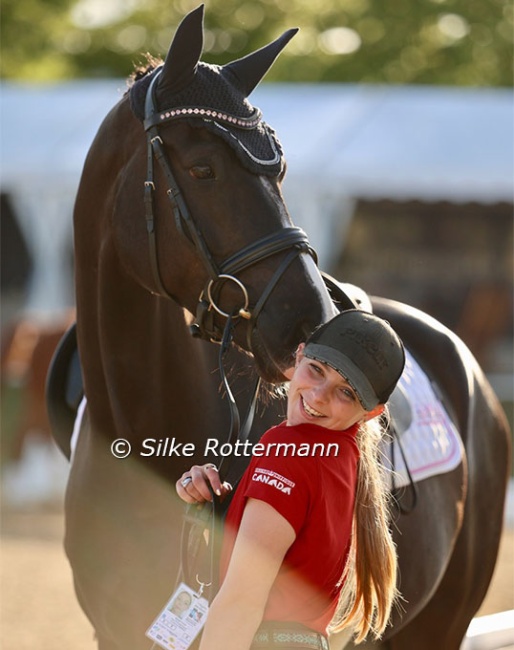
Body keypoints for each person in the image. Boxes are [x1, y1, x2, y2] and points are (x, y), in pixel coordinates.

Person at [176, 309, 405, 649]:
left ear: (372, 413)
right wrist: (222, 506)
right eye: (316, 370)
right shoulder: (345, 457)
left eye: (346, 393)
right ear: (298, 356)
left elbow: (241, 602)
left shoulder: (288, 447)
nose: (318, 396)